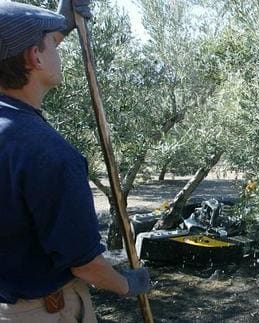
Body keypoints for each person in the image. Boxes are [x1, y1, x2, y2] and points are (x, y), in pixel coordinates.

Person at [0, 1, 150, 322]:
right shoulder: (48, 153)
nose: (59, 49)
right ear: (34, 57)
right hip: (42, 313)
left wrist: (59, 23)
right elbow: (85, 264)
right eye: (53, 43)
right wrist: (127, 284)